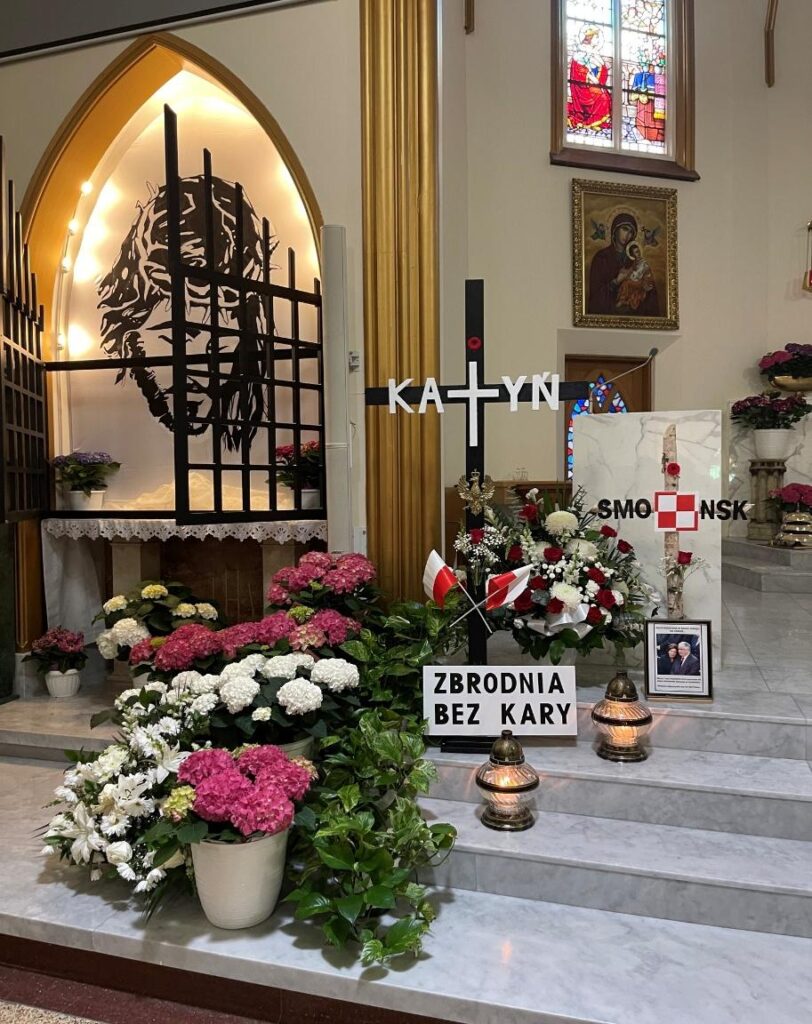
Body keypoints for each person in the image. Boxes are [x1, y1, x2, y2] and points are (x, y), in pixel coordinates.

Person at [587, 212, 660, 317]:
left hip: (634, 316)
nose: (627, 235)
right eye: (625, 229)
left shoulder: (635, 260)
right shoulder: (602, 258)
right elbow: (595, 298)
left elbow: (651, 294)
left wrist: (646, 289)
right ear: (615, 229)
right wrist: (616, 281)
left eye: (631, 232)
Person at [567, 27, 611, 135]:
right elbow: (579, 70)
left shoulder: (593, 51)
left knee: (606, 95)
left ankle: (596, 121)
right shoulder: (581, 51)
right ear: (590, 38)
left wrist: (601, 70)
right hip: (582, 87)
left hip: (592, 84)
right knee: (603, 97)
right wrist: (591, 78)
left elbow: (601, 69)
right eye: (597, 37)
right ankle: (591, 121)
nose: (598, 40)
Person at [616, 242, 656, 312]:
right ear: (633, 254)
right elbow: (632, 271)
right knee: (625, 281)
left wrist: (631, 276)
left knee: (626, 283)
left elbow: (640, 274)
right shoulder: (635, 262)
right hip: (636, 280)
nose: (639, 253)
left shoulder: (643, 262)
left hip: (642, 282)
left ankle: (623, 300)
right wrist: (627, 272)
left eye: (638, 251)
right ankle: (623, 300)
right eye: (636, 252)